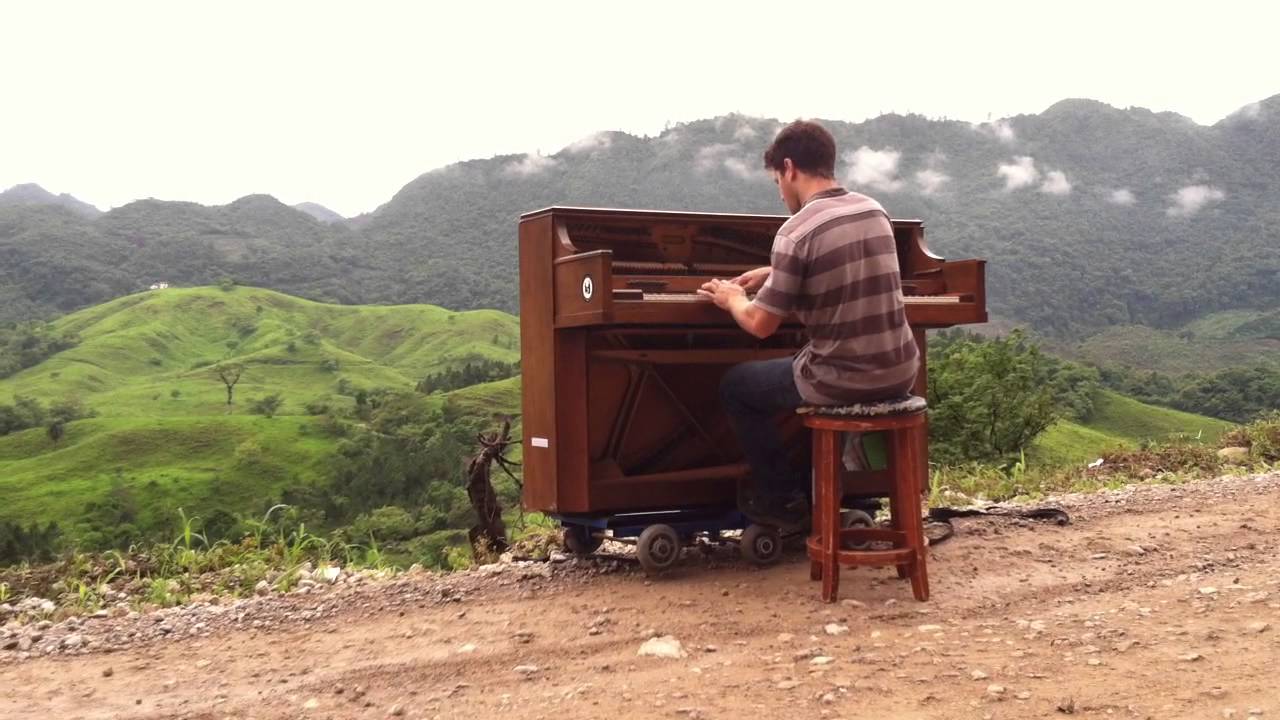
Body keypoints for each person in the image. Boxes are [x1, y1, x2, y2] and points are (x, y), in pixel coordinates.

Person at [697, 119, 920, 529]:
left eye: (776, 181)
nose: (780, 191)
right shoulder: (874, 210)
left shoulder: (795, 232)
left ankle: (782, 501)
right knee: (801, 362)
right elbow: (837, 262)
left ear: (789, 168)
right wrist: (775, 270)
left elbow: (760, 324)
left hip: (846, 377)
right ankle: (823, 491)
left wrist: (733, 299)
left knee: (737, 386)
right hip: (900, 369)